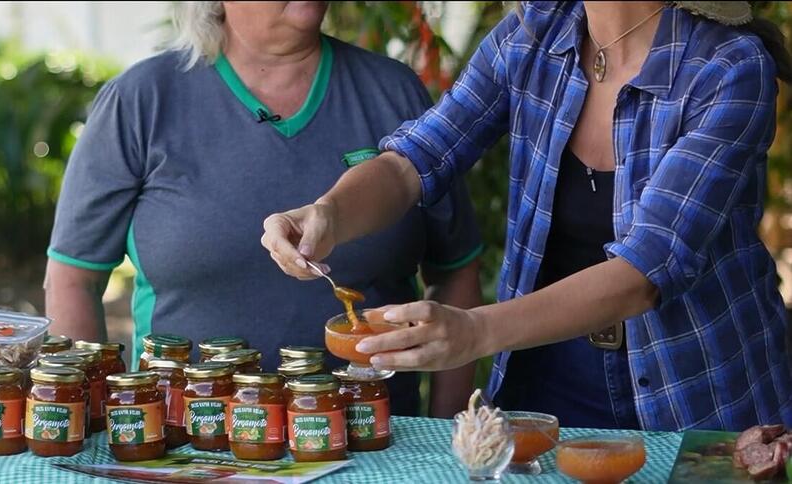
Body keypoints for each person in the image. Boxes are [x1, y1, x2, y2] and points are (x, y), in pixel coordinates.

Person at [262, 1, 792, 431]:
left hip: (698, 393)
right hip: (542, 381)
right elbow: (414, 161)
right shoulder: (533, 35)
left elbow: (648, 269)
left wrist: (473, 332)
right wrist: (327, 213)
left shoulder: (729, 68)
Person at [44, 1, 483, 418]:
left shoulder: (393, 91)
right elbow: (72, 279)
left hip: (380, 440)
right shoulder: (140, 101)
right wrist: (97, 419)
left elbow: (457, 269)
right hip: (187, 442)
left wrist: (448, 430)